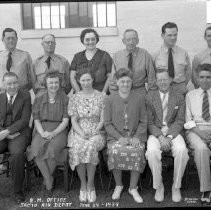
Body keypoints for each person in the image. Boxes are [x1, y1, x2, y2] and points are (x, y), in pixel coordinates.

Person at [145, 69, 189, 203]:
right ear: (156, 82)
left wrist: (169, 137)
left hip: (173, 132)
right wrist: (160, 137)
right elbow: (149, 122)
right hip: (156, 131)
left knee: (182, 151)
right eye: (160, 80)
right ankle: (159, 186)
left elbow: (180, 120)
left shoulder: (179, 96)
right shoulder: (149, 97)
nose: (163, 82)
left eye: (165, 79)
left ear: (170, 80)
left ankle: (176, 186)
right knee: (152, 152)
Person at [104, 68, 147, 203]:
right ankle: (119, 184)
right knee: (114, 150)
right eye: (122, 81)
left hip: (135, 135)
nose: (125, 84)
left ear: (132, 82)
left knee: (138, 150)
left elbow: (143, 120)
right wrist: (119, 138)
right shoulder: (110, 99)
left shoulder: (139, 97)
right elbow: (107, 123)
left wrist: (137, 137)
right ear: (117, 82)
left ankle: (133, 187)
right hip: (117, 136)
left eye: (128, 81)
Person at [27, 71, 69, 192]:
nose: (54, 85)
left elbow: (65, 121)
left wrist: (54, 133)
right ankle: (49, 179)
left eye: (56, 82)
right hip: (42, 128)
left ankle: (46, 181)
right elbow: (36, 119)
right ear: (46, 83)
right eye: (51, 82)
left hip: (59, 128)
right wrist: (42, 133)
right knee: (36, 149)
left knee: (53, 149)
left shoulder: (65, 98)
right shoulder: (39, 98)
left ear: (60, 83)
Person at [68, 68, 105, 203]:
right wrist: (82, 133)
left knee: (90, 146)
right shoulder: (75, 98)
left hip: (97, 130)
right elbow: (73, 120)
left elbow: (103, 119)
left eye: (88, 79)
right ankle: (83, 185)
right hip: (78, 130)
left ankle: (91, 185)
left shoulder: (102, 96)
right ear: (79, 81)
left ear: (93, 80)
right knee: (78, 147)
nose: (86, 82)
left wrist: (95, 131)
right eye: (83, 80)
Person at [0, 72, 31, 203]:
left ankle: (18, 191)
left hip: (20, 133)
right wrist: (3, 132)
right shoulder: (0, 97)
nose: (12, 86)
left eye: (15, 83)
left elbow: (25, 120)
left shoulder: (25, 96)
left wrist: (8, 131)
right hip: (2, 133)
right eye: (9, 83)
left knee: (17, 154)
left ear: (18, 83)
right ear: (3, 84)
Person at [185, 63, 211, 203]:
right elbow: (188, 121)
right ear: (197, 78)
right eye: (202, 77)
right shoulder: (190, 95)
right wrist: (201, 134)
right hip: (195, 130)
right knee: (201, 149)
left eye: (208, 77)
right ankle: (206, 189)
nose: (205, 80)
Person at [109, 28, 156, 95]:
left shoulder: (145, 54)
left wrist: (152, 95)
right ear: (123, 41)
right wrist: (114, 95)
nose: (131, 42)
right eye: (128, 39)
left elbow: (151, 77)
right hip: (121, 93)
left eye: (134, 39)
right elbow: (113, 79)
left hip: (139, 92)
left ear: (138, 41)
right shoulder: (117, 56)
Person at [153, 22, 191, 96]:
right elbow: (152, 75)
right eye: (169, 35)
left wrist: (180, 84)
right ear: (162, 35)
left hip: (180, 91)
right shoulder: (155, 55)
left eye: (175, 35)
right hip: (162, 92)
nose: (173, 38)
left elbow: (188, 72)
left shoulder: (183, 53)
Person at [70, 28, 112, 94]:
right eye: (87, 40)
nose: (90, 42)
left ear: (96, 40)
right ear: (83, 41)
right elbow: (72, 77)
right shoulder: (77, 57)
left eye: (93, 39)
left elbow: (110, 76)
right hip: (81, 95)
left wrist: (103, 93)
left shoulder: (105, 55)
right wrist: (79, 93)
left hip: (100, 94)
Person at [0, 28, 35, 93]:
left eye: (13, 38)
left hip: (21, 93)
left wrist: (24, 90)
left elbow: (31, 77)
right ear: (3, 39)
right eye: (8, 38)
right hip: (2, 94)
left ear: (17, 39)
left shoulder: (25, 56)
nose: (11, 40)